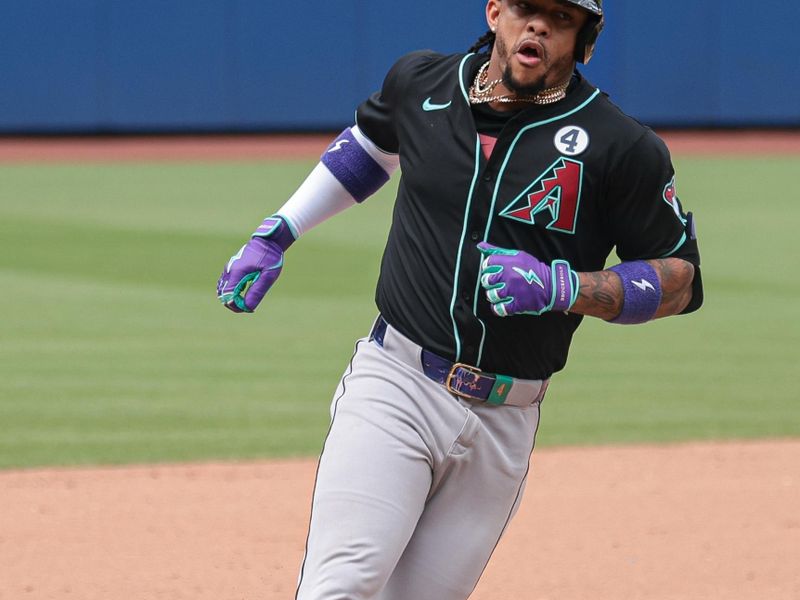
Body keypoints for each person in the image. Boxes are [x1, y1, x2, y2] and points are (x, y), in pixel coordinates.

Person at [217, 0, 703, 598]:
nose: (540, 27)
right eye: (527, 8)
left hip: (507, 417)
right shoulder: (421, 82)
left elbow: (680, 279)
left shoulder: (620, 146)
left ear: (585, 41)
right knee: (339, 588)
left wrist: (564, 286)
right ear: (496, 11)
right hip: (397, 384)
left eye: (562, 18)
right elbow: (369, 148)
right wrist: (280, 230)